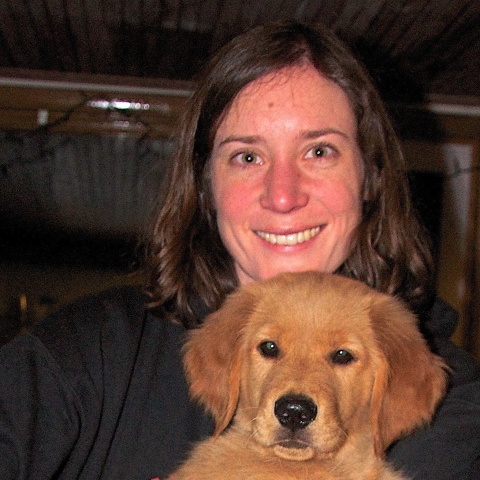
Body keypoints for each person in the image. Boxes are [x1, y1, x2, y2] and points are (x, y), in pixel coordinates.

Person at [0, 21, 479, 480]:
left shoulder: (455, 407)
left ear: (370, 175)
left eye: (319, 151)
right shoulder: (94, 349)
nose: (283, 195)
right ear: (206, 185)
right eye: (247, 157)